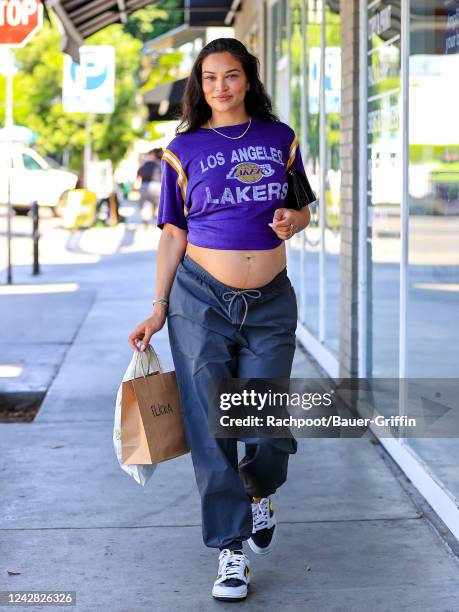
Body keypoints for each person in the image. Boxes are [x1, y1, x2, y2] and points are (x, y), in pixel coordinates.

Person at [128, 37, 311, 602]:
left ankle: (259, 490)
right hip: (200, 300)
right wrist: (158, 308)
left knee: (265, 417)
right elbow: (173, 233)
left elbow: (304, 205)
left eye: (230, 75)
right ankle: (231, 551)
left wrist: (293, 221)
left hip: (270, 301)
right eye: (209, 78)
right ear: (198, 86)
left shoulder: (280, 139)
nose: (220, 87)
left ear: (248, 79)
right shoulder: (183, 149)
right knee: (214, 427)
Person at [134, 149, 162, 223]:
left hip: (144, 186)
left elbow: (138, 176)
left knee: (144, 204)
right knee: (157, 204)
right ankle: (156, 220)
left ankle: (145, 221)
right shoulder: (159, 164)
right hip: (157, 186)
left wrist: (135, 186)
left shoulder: (143, 165)